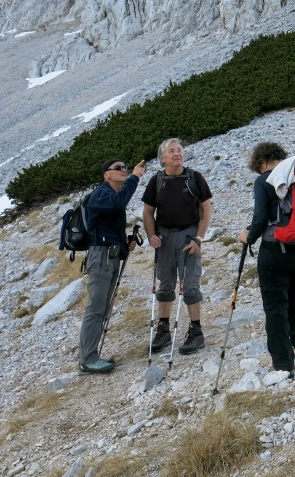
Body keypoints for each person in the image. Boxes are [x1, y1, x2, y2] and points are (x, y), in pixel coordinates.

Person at [238, 141, 295, 377]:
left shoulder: (264, 180)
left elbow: (261, 217)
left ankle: (283, 365)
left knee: (275, 306)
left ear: (261, 162)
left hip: (277, 250)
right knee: (290, 295)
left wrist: (248, 237)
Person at [142, 138, 213, 355]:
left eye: (179, 150)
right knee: (165, 284)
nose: (177, 153)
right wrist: (151, 234)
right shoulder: (157, 180)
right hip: (164, 238)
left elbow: (206, 211)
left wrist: (198, 239)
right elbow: (147, 211)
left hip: (188, 236)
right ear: (162, 158)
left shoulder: (195, 178)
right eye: (171, 151)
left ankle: (196, 331)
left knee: (190, 284)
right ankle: (164, 329)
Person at [79, 157, 147, 373]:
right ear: (106, 174)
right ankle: (87, 359)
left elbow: (110, 230)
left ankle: (92, 356)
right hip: (100, 257)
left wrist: (126, 244)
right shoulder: (101, 194)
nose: (123, 170)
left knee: (102, 307)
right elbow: (120, 203)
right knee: (96, 307)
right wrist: (135, 177)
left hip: (109, 255)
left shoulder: (110, 196)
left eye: (125, 168)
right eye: (118, 168)